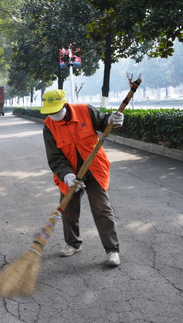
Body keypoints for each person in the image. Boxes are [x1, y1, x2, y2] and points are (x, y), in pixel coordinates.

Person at [40, 89, 124, 266]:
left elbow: (103, 122)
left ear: (64, 104)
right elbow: (55, 157)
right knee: (68, 210)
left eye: (56, 111)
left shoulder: (85, 110)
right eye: (50, 112)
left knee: (102, 208)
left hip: (94, 168)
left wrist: (112, 120)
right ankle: (73, 243)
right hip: (70, 173)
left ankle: (112, 250)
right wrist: (68, 176)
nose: (54, 115)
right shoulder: (49, 126)